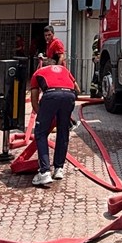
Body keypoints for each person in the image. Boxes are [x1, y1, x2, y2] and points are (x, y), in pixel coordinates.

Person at [28, 53, 78, 187]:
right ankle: (58, 169)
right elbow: (77, 89)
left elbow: (34, 100)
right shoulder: (64, 70)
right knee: (63, 131)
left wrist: (43, 116)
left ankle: (44, 172)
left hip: (51, 95)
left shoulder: (38, 72)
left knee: (40, 133)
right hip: (69, 95)